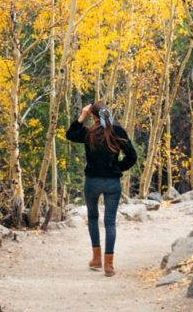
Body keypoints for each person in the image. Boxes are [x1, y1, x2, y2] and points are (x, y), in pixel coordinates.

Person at [66, 102, 137, 277]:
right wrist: (118, 168)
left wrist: (81, 117)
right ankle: (109, 265)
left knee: (92, 218)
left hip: (92, 182)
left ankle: (96, 259)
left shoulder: (88, 132)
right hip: (113, 183)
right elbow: (132, 156)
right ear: (108, 113)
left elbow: (70, 134)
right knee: (110, 222)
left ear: (93, 116)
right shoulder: (117, 131)